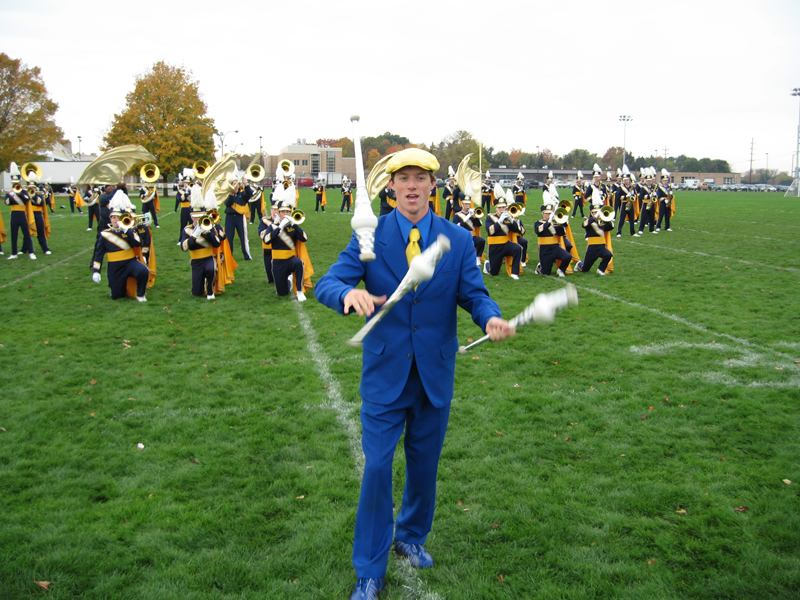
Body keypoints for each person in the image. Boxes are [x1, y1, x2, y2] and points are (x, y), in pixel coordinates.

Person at [314, 148, 514, 600]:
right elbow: (326, 282)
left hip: (434, 371)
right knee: (378, 469)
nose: (410, 186)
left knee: (424, 467)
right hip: (385, 373)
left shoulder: (457, 240)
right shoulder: (370, 237)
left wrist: (490, 319)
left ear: (430, 187)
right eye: (402, 178)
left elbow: (475, 295)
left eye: (418, 179)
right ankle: (369, 568)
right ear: (390, 187)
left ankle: (410, 535)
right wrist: (348, 295)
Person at [90, 205, 150, 301]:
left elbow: (138, 243)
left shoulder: (129, 231)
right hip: (115, 266)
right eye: (114, 218)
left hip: (130, 262)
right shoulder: (104, 234)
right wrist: (96, 271)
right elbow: (99, 254)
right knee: (117, 295)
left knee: (143, 270)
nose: (116, 220)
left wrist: (128, 231)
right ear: (110, 220)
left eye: (118, 218)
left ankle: (140, 294)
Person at [260, 201, 309, 301]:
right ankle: (289, 280)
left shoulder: (293, 226)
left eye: (288, 212)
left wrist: (295, 225)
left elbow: (304, 238)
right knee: (282, 293)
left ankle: (299, 291)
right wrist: (280, 227)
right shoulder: (272, 227)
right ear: (279, 213)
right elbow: (266, 240)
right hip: (278, 261)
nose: (286, 214)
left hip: (290, 259)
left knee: (299, 263)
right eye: (283, 212)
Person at [180, 198, 222, 300]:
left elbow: (217, 244)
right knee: (197, 293)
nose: (198, 220)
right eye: (195, 217)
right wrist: (194, 235)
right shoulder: (187, 229)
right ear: (191, 217)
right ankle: (201, 285)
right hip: (196, 260)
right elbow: (184, 247)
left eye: (200, 217)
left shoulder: (209, 228)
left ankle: (210, 291)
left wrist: (208, 234)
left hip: (208, 258)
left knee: (211, 269)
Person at [483, 197, 523, 278]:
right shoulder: (490, 217)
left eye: (504, 207)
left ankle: (514, 272)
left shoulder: (508, 218)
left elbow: (520, 231)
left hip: (506, 244)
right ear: (496, 208)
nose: (502, 209)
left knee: (518, 248)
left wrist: (512, 221)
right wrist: (499, 221)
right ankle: (487, 265)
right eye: (500, 207)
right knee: (494, 273)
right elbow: (490, 231)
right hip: (495, 246)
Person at [533, 204, 572, 277]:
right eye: (546, 213)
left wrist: (562, 224)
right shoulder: (538, 223)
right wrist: (548, 222)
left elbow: (562, 233)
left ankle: (561, 270)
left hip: (555, 247)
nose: (548, 215)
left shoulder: (555, 223)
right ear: (543, 214)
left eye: (550, 213)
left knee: (567, 256)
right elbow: (537, 231)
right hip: (545, 249)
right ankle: (540, 266)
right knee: (546, 273)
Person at [575, 205, 614, 275]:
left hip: (601, 247)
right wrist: (594, 218)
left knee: (608, 255)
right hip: (592, 248)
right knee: (585, 269)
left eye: (598, 212)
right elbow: (584, 225)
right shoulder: (589, 221)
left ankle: (600, 270)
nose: (597, 214)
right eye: (595, 212)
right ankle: (579, 264)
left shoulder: (603, 222)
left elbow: (611, 227)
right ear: (592, 213)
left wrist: (607, 220)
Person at [223, 177, 254, 260]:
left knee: (243, 237)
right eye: (234, 184)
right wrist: (232, 194)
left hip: (240, 217)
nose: (236, 186)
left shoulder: (242, 195)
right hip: (229, 217)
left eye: (237, 184)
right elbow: (228, 203)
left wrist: (246, 184)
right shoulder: (228, 195)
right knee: (229, 237)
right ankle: (229, 256)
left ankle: (247, 255)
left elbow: (250, 194)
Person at [4, 180, 35, 259]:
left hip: (22, 214)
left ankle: (31, 252)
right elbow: (7, 202)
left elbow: (27, 199)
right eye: (14, 183)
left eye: (17, 183)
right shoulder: (10, 193)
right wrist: (11, 194)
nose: (15, 185)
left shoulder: (24, 192)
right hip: (14, 214)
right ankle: (14, 253)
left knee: (26, 233)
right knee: (14, 235)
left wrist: (18, 193)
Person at [452, 197, 485, 266]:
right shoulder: (457, 215)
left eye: (469, 204)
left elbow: (479, 224)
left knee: (481, 241)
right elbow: (456, 226)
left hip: (472, 236)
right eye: (466, 204)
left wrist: (475, 217)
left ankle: (478, 258)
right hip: (462, 236)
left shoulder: (473, 214)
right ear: (462, 205)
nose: (467, 206)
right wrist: (467, 217)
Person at [257, 204, 278, 284]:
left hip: (279, 247)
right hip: (267, 246)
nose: (275, 212)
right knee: (268, 266)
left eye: (277, 210)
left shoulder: (284, 221)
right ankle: (271, 279)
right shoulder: (264, 220)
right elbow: (261, 234)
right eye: (274, 210)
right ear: (271, 210)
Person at [28, 184, 52, 255]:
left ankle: (45, 248)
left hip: (38, 215)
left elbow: (40, 203)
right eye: (30, 188)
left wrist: (33, 195)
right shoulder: (26, 196)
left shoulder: (39, 195)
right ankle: (25, 248)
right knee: (27, 233)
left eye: (33, 188)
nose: (31, 189)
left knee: (40, 232)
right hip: (28, 215)